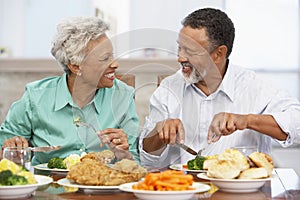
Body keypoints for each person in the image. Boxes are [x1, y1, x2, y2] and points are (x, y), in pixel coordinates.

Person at [139, 8, 300, 168]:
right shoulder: (169, 88)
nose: (181, 57)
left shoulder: (254, 86)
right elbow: (147, 160)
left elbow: (296, 124)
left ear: (219, 54)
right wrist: (158, 134)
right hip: (183, 188)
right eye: (180, 47)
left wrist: (247, 120)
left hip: (243, 191)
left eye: (191, 51)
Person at [0, 16, 140, 165]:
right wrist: (11, 151)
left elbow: (136, 163)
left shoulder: (123, 95)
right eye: (104, 58)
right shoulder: (35, 97)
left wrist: (124, 154)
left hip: (102, 186)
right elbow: (5, 150)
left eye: (112, 55)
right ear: (76, 66)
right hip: (49, 185)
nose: (115, 64)